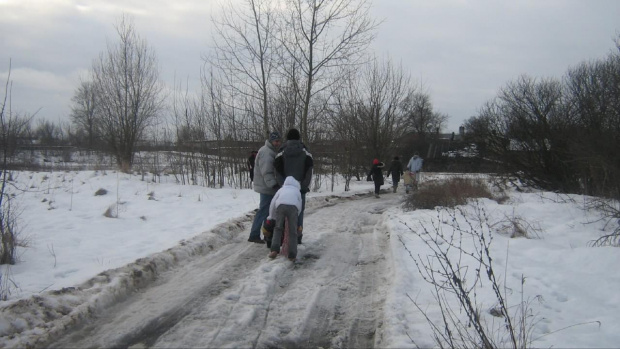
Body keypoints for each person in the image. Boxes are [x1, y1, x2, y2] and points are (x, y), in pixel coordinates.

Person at [274, 128, 313, 244]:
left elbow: (277, 170)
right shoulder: (306, 152)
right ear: (298, 138)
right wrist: (303, 186)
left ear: (287, 138)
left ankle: (283, 238)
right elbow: (309, 171)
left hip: (285, 189)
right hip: (300, 189)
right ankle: (297, 237)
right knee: (299, 213)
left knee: (282, 213)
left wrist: (283, 186)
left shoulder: (281, 152)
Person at [248, 131, 282, 244]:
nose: (278, 143)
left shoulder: (269, 151)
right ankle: (254, 234)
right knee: (263, 211)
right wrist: (273, 184)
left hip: (266, 186)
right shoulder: (267, 152)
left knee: (267, 211)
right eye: (276, 141)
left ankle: (265, 234)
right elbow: (267, 171)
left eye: (279, 141)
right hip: (266, 187)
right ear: (271, 141)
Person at [266, 176, 303, 261]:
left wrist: (271, 216)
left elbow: (273, 203)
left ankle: (274, 250)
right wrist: (296, 215)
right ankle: (292, 255)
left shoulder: (281, 189)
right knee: (293, 231)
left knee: (278, 228)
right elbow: (300, 205)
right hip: (293, 208)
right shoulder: (297, 191)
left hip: (280, 206)